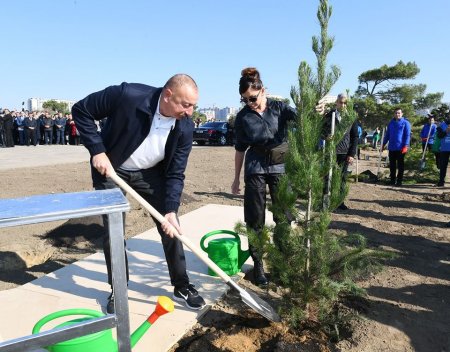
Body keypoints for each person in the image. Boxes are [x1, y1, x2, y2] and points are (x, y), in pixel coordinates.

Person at [72, 74, 205, 313]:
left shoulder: (184, 126)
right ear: (168, 95)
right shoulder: (127, 96)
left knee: (171, 226)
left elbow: (176, 173)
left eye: (193, 105)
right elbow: (81, 110)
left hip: (150, 174)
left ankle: (182, 285)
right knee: (114, 232)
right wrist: (97, 150)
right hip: (112, 169)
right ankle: (119, 288)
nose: (190, 111)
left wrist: (171, 209)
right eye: (185, 104)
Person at [231, 67, 296, 286]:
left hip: (280, 166)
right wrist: (235, 178)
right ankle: (258, 266)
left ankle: (281, 262)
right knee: (255, 218)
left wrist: (315, 110)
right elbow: (240, 149)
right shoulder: (243, 118)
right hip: (256, 167)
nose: (249, 103)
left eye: (252, 98)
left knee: (284, 216)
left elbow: (303, 117)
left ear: (263, 90)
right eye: (244, 100)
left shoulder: (279, 108)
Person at [322, 94, 359, 210]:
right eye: (340, 102)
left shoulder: (351, 117)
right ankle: (325, 202)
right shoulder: (330, 115)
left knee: (342, 178)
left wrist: (352, 154)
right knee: (328, 177)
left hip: (344, 153)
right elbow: (321, 130)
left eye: (345, 103)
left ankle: (339, 202)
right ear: (336, 103)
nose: (342, 105)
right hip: (330, 151)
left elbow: (355, 137)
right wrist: (326, 136)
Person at [382, 108, 411, 186]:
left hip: (401, 147)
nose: (397, 114)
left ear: (402, 114)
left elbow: (407, 135)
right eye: (396, 113)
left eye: (399, 113)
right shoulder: (391, 123)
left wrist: (406, 145)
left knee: (400, 165)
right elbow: (387, 134)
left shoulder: (406, 123)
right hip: (392, 147)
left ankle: (399, 180)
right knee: (392, 165)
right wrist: (383, 143)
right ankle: (392, 180)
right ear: (394, 114)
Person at [435, 113, 450, 187]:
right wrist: (446, 131)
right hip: (444, 149)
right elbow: (439, 136)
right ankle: (441, 182)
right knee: (443, 166)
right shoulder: (442, 125)